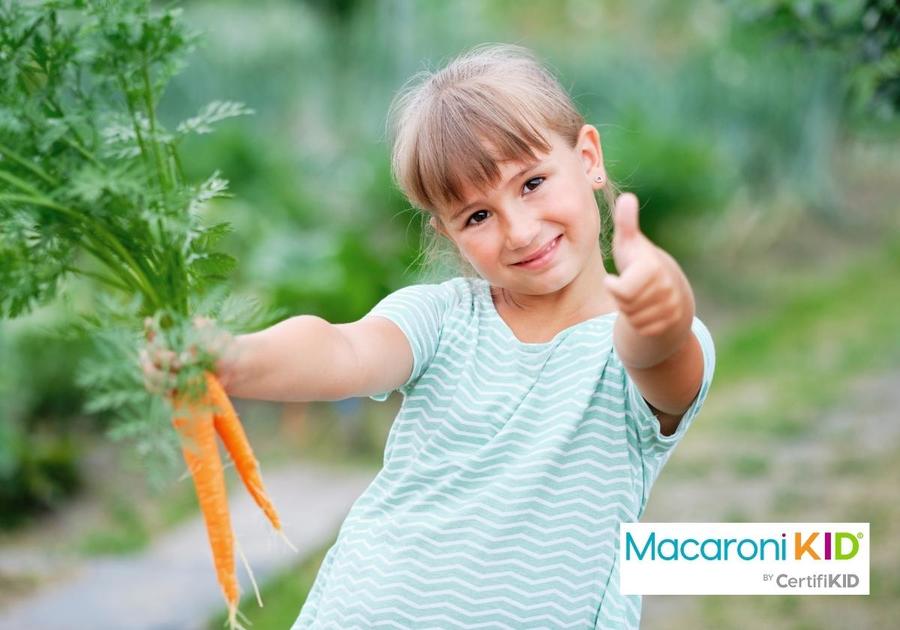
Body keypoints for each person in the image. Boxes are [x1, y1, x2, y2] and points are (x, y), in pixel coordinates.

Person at [144, 43, 715, 629]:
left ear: (588, 156)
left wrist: (660, 302)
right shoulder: (442, 317)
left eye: (532, 182)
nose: (518, 231)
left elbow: (658, 352)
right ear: (447, 232)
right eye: (477, 216)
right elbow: (342, 351)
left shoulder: (635, 347)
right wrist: (235, 356)